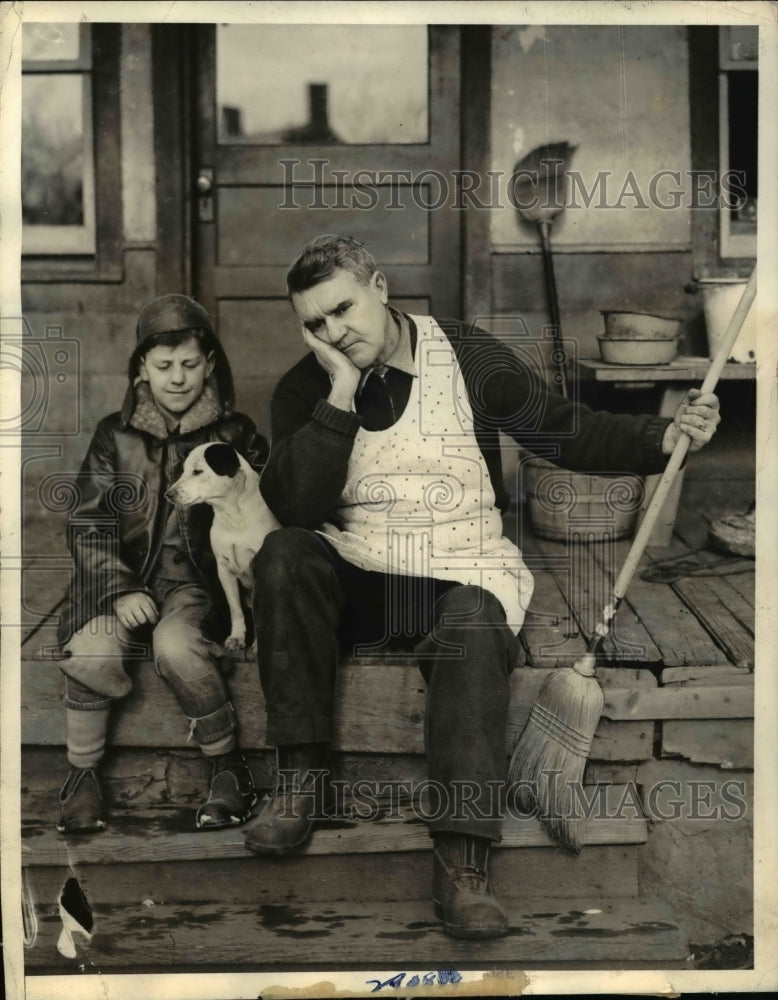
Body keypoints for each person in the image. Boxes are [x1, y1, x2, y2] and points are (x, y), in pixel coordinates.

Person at [243, 235, 721, 940]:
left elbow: (566, 431)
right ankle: (298, 781)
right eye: (314, 323)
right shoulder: (306, 387)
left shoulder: (465, 354)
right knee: (284, 555)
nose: (334, 331)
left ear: (379, 285)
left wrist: (663, 435)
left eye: (343, 308)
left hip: (460, 568)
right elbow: (296, 505)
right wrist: (340, 396)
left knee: (471, 629)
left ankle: (463, 862)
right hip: (363, 570)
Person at [55, 294, 267, 835]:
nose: (178, 379)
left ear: (210, 364)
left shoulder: (237, 435)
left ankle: (227, 766)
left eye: (190, 365)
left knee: (176, 646)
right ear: (141, 370)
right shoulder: (114, 436)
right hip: (121, 585)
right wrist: (120, 586)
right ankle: (82, 774)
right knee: (93, 648)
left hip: (196, 585)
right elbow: (87, 520)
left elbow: (268, 507)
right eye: (164, 366)